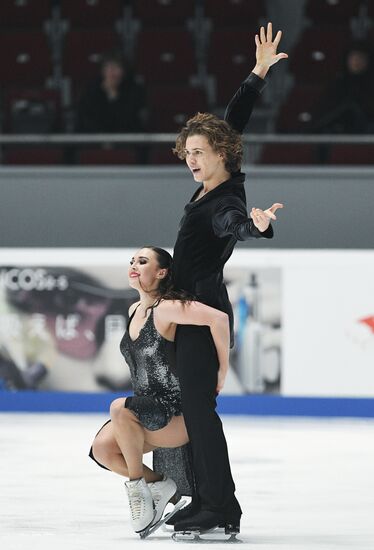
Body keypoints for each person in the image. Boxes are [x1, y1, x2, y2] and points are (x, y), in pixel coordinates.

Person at [167, 22, 287, 534]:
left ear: (220, 154)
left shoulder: (227, 200)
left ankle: (222, 507)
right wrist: (258, 73)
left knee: (201, 415)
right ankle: (205, 498)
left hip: (202, 311)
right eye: (187, 153)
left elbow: (232, 225)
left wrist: (255, 227)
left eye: (199, 152)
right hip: (189, 308)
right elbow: (234, 121)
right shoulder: (224, 178)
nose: (191, 159)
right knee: (194, 414)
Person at [88, 246, 230, 535]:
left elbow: (219, 319)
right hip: (145, 412)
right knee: (102, 450)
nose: (134, 265)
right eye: (132, 261)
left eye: (143, 261)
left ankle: (137, 494)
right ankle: (159, 484)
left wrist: (222, 369)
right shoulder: (133, 310)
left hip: (174, 413)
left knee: (119, 407)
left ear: (161, 272)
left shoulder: (165, 308)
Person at [311, 41, 374, 135]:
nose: (356, 61)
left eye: (361, 57)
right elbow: (326, 112)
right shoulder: (338, 84)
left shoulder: (370, 85)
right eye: (353, 57)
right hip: (337, 132)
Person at [76, 50, 146, 134]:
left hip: (126, 140)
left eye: (116, 67)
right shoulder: (91, 91)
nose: (112, 72)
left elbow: (129, 121)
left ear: (124, 71)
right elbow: (88, 121)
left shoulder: (134, 91)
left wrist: (113, 95)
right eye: (108, 67)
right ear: (102, 71)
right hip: (95, 141)